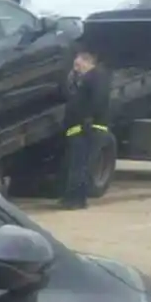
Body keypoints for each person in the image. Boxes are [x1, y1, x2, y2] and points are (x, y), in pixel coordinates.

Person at [58, 48, 111, 209]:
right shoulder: (85, 78)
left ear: (88, 62)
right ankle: (73, 198)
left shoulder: (96, 77)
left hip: (88, 129)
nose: (76, 67)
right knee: (76, 165)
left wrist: (88, 119)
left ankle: (76, 200)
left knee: (79, 166)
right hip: (79, 128)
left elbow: (98, 99)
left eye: (78, 64)